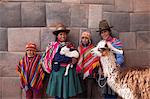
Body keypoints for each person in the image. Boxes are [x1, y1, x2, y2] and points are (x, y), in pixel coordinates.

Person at [42, 23, 82, 99]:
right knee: (58, 93)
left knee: (66, 93)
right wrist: (70, 59)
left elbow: (75, 55)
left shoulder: (70, 45)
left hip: (68, 72)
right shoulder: (52, 46)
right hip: (58, 72)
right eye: (60, 34)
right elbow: (55, 58)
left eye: (64, 34)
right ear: (57, 36)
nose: (63, 36)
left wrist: (75, 59)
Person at [96, 20, 124, 99]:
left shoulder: (116, 42)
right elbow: (99, 58)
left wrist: (115, 67)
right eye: (102, 32)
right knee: (105, 94)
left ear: (109, 31)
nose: (104, 34)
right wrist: (100, 69)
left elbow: (120, 57)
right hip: (104, 73)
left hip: (114, 72)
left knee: (112, 94)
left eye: (105, 31)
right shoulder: (101, 44)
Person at [76, 31, 102, 99]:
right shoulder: (79, 48)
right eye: (83, 38)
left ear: (89, 39)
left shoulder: (93, 49)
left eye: (86, 38)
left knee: (89, 92)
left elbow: (96, 60)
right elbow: (77, 60)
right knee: (81, 92)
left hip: (90, 73)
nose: (84, 40)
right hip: (80, 72)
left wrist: (94, 71)